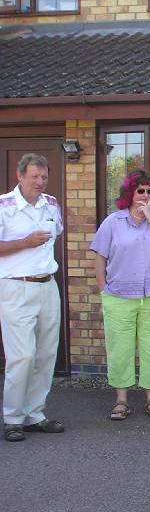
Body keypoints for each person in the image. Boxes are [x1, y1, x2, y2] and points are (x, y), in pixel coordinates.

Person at [91, 170, 150, 421]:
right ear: (130, 193)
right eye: (140, 190)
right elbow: (100, 255)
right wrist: (102, 288)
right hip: (118, 296)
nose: (145, 195)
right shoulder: (113, 221)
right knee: (120, 348)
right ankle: (121, 400)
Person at [0, 154, 65, 443]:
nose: (40, 182)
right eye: (34, 177)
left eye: (44, 177)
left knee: (45, 354)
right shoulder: (4, 206)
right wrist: (25, 242)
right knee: (22, 356)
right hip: (16, 287)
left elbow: (57, 232)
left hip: (47, 285)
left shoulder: (51, 204)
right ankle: (13, 418)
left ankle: (34, 414)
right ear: (20, 175)